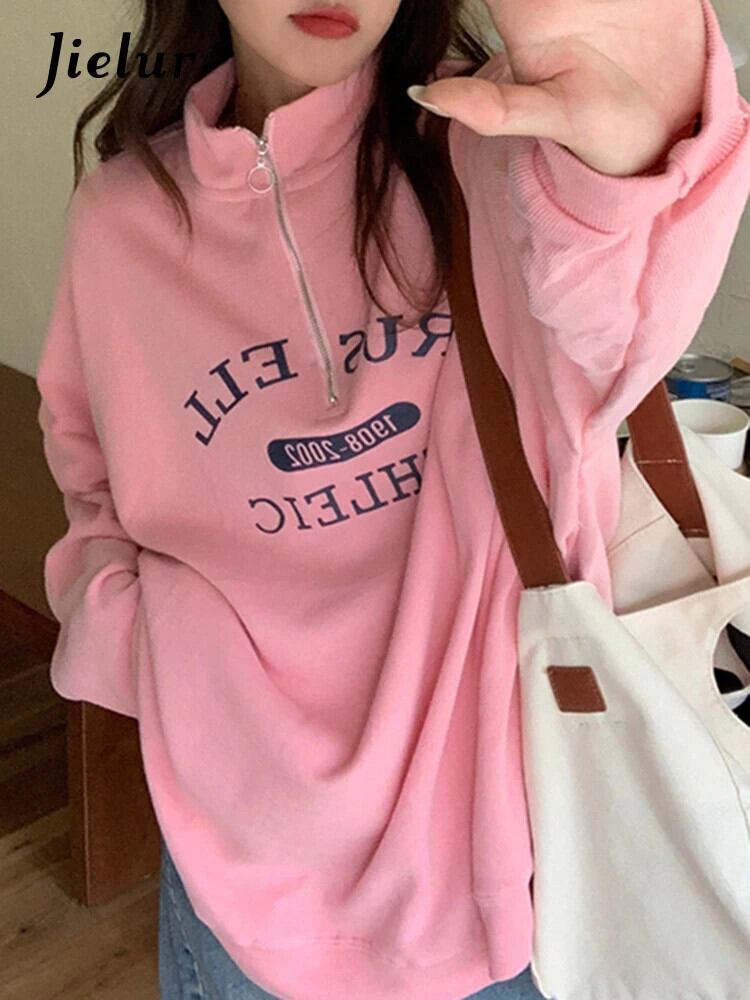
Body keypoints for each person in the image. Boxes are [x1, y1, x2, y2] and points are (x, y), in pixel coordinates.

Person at [35, 0, 750, 997]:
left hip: (514, 866)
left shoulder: (494, 155)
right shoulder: (121, 220)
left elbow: (617, 332)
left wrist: (635, 168)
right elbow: (90, 475)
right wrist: (160, 662)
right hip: (236, 860)